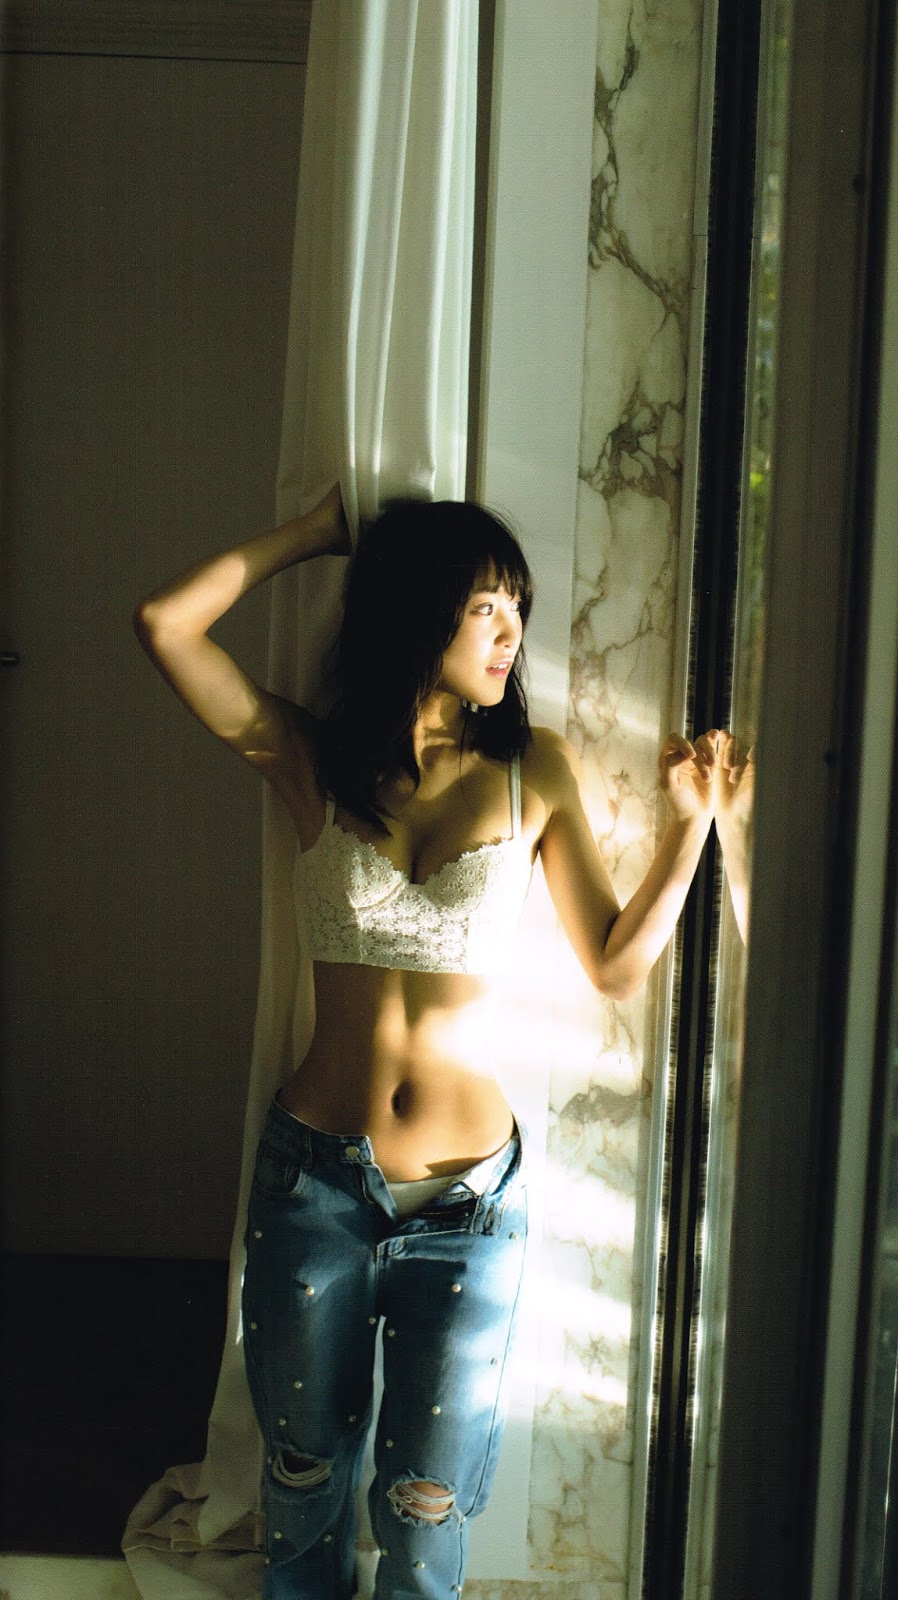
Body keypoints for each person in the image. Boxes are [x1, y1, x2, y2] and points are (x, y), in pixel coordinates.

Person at [133, 486, 717, 1600]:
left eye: (518, 610)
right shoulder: (312, 759)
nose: (512, 634)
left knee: (425, 1509)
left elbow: (613, 963)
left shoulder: (532, 769)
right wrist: (316, 532)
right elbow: (165, 624)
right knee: (302, 1487)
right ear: (417, 608)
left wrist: (691, 829)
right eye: (487, 607)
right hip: (315, 1183)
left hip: (469, 1203)